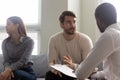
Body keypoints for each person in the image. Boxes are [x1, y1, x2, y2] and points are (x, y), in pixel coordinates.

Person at [75, 3, 120, 80]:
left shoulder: (109, 36)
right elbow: (114, 71)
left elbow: (80, 74)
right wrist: (94, 75)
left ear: (99, 20)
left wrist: (75, 67)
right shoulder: (117, 33)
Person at [45, 11, 93, 80]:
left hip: (81, 73)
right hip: (65, 73)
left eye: (74, 22)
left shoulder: (85, 40)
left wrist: (73, 65)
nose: (73, 25)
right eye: (68, 22)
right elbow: (52, 63)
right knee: (50, 75)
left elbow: (88, 67)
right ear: (61, 25)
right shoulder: (54, 40)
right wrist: (55, 68)